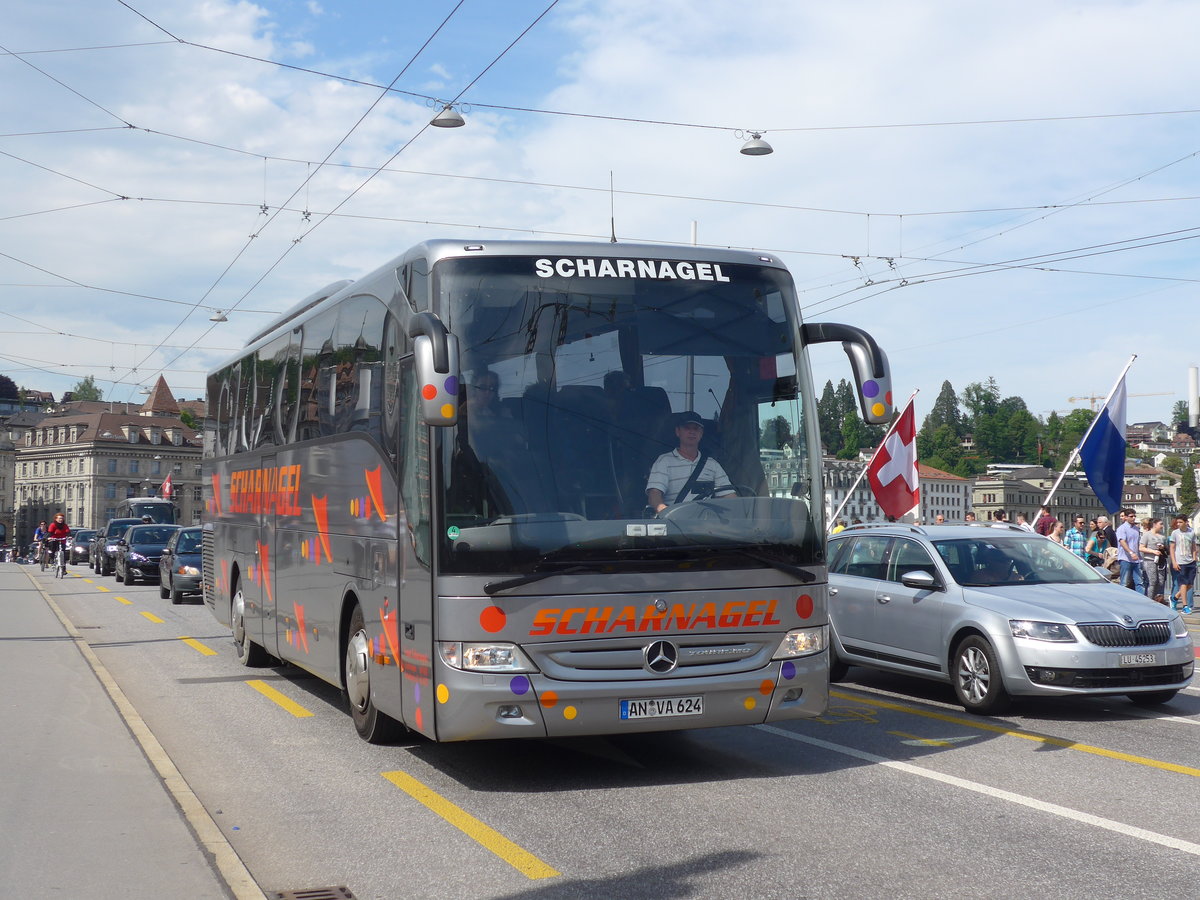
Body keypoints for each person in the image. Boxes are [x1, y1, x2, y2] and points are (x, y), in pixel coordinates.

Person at [646, 411, 734, 514]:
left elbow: (729, 496)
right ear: (678, 431)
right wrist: (664, 512)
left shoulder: (712, 465)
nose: (692, 432)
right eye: (687, 428)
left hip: (707, 525)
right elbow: (654, 494)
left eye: (696, 429)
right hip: (675, 524)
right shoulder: (664, 462)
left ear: (701, 433)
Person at [1168, 515, 1196, 613]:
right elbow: (1172, 548)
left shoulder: (1191, 532)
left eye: (1180, 522)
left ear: (1186, 522)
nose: (1178, 524)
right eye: (1177, 522)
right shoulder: (1175, 533)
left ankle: (1174, 598)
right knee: (1183, 584)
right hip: (1180, 561)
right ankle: (1185, 606)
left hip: (1190, 561)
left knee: (1190, 585)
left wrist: (1194, 558)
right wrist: (1174, 562)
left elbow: (1193, 546)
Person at [1139, 518, 1168, 605]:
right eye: (1160, 524)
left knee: (1161, 581)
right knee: (1153, 581)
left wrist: (1162, 548)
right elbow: (1141, 548)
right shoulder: (1147, 535)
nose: (1162, 526)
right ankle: (1149, 601)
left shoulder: (1162, 536)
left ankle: (1159, 599)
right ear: (1155, 524)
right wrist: (1153, 551)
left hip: (1160, 561)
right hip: (1150, 560)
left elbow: (1167, 549)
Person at [1115, 507, 1144, 594]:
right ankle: (1122, 599)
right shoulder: (1122, 528)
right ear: (1126, 517)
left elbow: (1137, 543)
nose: (1133, 518)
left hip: (1136, 559)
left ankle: (1141, 600)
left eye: (1134, 516)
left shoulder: (1136, 529)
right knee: (1124, 582)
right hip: (1125, 558)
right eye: (1131, 516)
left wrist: (1139, 555)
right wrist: (1131, 552)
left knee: (1139, 582)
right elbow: (1122, 541)